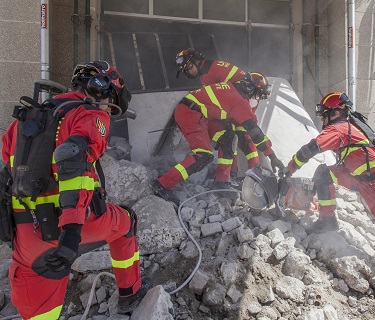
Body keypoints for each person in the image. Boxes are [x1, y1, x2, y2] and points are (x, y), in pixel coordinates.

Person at [1, 61, 151, 319]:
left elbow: (7, 168)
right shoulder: (91, 114)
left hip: (25, 235)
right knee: (127, 221)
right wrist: (70, 234)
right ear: (103, 90)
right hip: (68, 228)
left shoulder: (28, 117)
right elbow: (74, 164)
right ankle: (130, 294)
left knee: (39, 314)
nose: (108, 108)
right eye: (110, 101)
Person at [281, 92, 375, 305]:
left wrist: (288, 171)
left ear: (335, 113)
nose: (322, 120)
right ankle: (327, 220)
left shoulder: (339, 128)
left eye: (324, 115)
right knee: (323, 173)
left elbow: (311, 149)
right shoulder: (349, 126)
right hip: (357, 177)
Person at [152, 72, 285, 205]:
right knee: (204, 156)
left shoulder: (235, 91)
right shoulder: (239, 101)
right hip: (190, 113)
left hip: (202, 115)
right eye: (258, 95)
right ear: (250, 88)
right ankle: (163, 184)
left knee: (228, 138)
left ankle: (221, 182)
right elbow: (255, 133)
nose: (257, 100)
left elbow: (250, 131)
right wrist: (273, 157)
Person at [175, 48, 272, 191]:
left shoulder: (208, 75)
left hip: (241, 101)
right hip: (246, 99)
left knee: (238, 136)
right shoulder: (215, 66)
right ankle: (244, 175)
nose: (189, 72)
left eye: (189, 67)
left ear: (196, 60)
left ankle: (236, 176)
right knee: (237, 137)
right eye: (186, 71)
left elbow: (213, 102)